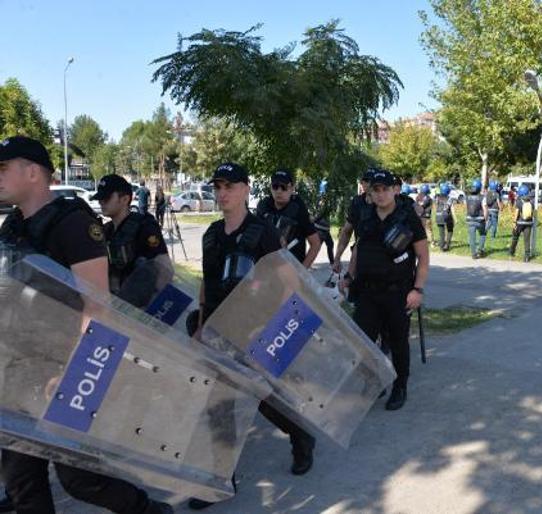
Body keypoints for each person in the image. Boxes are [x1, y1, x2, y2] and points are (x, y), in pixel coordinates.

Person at [0, 136, 172, 514]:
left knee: (81, 479)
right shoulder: (12, 228)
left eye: (3, 168)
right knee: (21, 482)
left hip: (60, 371)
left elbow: (98, 309)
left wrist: (76, 376)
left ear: (32, 173)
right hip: (16, 372)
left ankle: (147, 510)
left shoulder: (73, 226)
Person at [189, 162, 315, 510]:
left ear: (246, 189)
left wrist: (274, 328)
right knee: (218, 405)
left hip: (254, 330)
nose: (222, 192)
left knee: (264, 398)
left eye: (229, 185)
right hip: (218, 331)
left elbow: (289, 284)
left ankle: (300, 436)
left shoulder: (263, 232)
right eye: (217, 186)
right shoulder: (211, 234)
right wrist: (201, 324)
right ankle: (220, 479)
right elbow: (207, 283)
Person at [345, 169, 429, 410]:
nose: (380, 194)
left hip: (398, 292)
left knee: (398, 341)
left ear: (394, 190)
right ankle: (375, 381)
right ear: (369, 192)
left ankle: (400, 386)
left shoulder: (407, 217)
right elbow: (358, 249)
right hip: (368, 292)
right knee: (363, 342)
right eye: (376, 190)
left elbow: (423, 256)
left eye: (385, 189)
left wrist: (418, 290)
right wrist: (350, 275)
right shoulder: (365, 216)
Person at [93, 174, 172, 308]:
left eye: (106, 198)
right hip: (115, 306)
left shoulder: (144, 227)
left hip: (139, 310)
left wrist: (150, 310)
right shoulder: (106, 230)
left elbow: (165, 270)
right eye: (100, 198)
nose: (101, 202)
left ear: (125, 199)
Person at [256, 169, 321, 269]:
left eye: (284, 187)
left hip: (291, 273)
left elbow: (315, 243)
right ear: (271, 188)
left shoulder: (298, 208)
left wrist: (302, 272)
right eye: (275, 186)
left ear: (292, 188)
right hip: (266, 273)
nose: (279, 191)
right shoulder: (263, 206)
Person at [332, 168, 374, 274]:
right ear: (362, 183)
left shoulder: (386, 203)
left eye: (374, 181)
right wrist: (337, 258)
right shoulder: (357, 202)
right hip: (360, 256)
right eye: (367, 181)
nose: (371, 184)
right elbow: (347, 231)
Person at [312, 180, 335, 265]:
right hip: (320, 228)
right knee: (316, 247)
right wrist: (313, 220)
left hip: (325, 228)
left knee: (330, 244)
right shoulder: (323, 198)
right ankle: (309, 262)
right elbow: (320, 212)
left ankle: (332, 262)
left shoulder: (326, 199)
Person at [510, 185, 534, 261]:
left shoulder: (519, 201)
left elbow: (517, 212)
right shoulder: (531, 202)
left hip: (519, 223)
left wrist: (514, 222)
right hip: (528, 223)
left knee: (515, 237)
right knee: (527, 240)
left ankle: (512, 251)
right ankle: (527, 256)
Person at [465, 179, 487, 259]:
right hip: (479, 219)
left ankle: (473, 254)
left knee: (472, 237)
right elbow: (485, 209)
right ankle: (480, 250)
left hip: (470, 219)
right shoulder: (482, 197)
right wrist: (486, 218)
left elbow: (466, 208)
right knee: (483, 233)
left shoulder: (467, 197)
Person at [434, 182, 455, 251]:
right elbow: (449, 208)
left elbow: (436, 206)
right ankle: (447, 245)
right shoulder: (449, 198)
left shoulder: (437, 197)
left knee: (441, 232)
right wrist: (454, 218)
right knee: (450, 230)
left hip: (438, 215)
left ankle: (441, 246)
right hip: (446, 216)